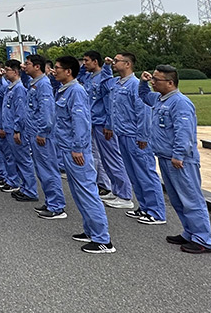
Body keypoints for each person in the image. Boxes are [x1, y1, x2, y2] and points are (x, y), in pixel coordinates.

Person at [139, 65, 211, 253]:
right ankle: (190, 232)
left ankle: (203, 239)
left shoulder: (180, 103)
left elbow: (184, 132)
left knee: (191, 199)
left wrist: (179, 154)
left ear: (170, 83)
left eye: (156, 80)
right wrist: (143, 82)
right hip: (165, 157)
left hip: (180, 160)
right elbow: (143, 96)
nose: (153, 82)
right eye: (153, 79)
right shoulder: (160, 99)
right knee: (177, 200)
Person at [53, 56, 115, 254]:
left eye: (57, 68)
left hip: (76, 151)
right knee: (79, 193)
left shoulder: (76, 91)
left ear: (68, 71)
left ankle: (103, 239)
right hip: (67, 148)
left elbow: (80, 122)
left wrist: (78, 148)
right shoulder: (65, 90)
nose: (54, 71)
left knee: (87, 192)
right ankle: (91, 231)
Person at [110, 52, 167, 224]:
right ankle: (144, 207)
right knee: (134, 175)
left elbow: (143, 113)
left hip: (135, 136)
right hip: (122, 133)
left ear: (127, 64)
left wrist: (142, 135)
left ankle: (156, 212)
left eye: (117, 61)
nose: (113, 63)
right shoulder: (117, 84)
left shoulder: (134, 85)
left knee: (145, 173)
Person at [80, 51, 134, 209]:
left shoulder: (104, 78)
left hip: (104, 123)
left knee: (113, 159)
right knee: (105, 159)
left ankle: (125, 195)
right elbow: (80, 76)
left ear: (95, 62)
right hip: (95, 121)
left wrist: (109, 124)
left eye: (87, 61)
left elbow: (109, 103)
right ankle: (115, 190)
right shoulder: (89, 77)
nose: (84, 64)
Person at [24, 54, 65, 213]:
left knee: (48, 169)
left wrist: (42, 132)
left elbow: (47, 112)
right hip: (34, 132)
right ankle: (50, 201)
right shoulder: (34, 83)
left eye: (28, 64)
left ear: (37, 66)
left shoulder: (43, 85)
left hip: (42, 134)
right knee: (42, 170)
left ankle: (56, 206)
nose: (24, 66)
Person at [2, 60, 37, 199]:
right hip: (10, 128)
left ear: (16, 72)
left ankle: (30, 190)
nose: (5, 72)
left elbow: (20, 112)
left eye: (7, 70)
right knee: (17, 159)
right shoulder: (11, 88)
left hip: (16, 130)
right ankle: (24, 187)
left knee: (23, 160)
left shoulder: (19, 89)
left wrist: (17, 129)